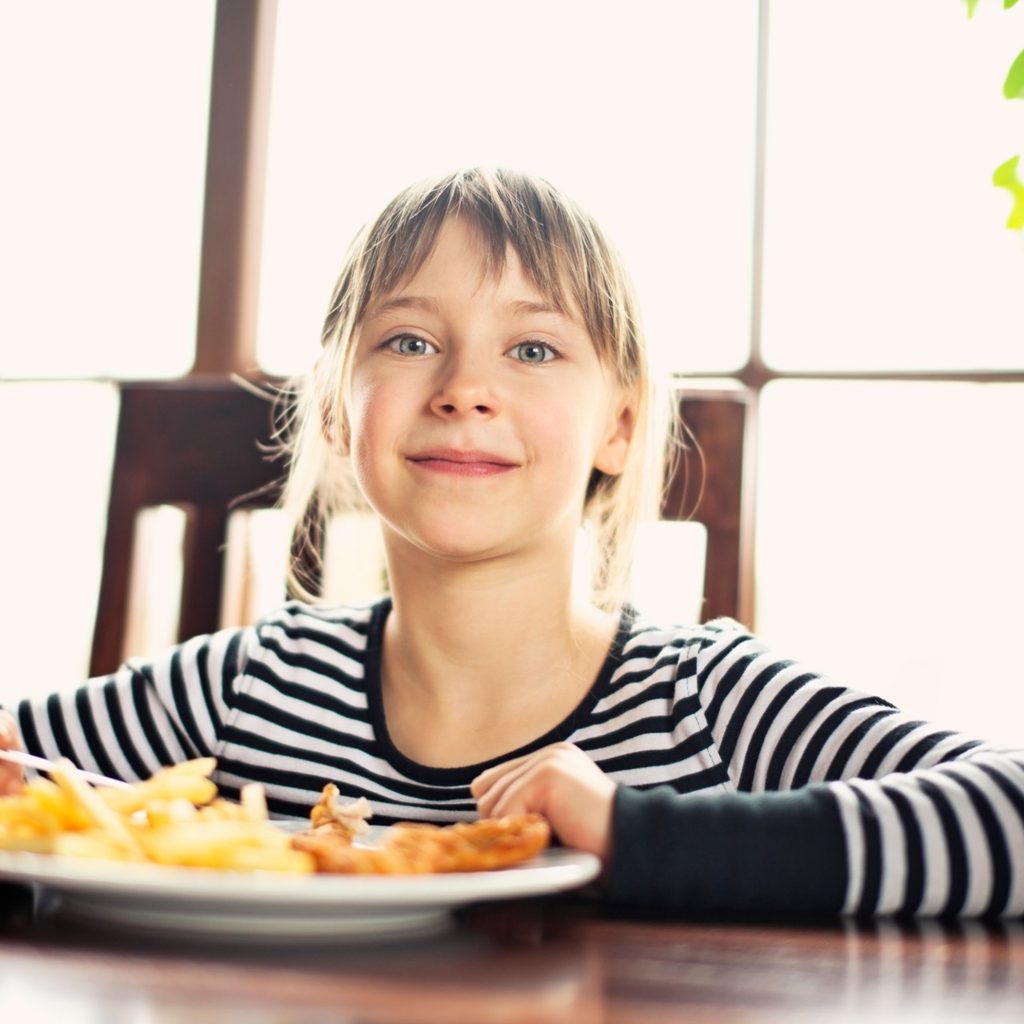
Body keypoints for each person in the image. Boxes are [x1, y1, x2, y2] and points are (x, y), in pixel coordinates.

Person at [1, 167, 1022, 917]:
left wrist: (632, 830)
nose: (463, 387)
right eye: (408, 340)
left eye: (532, 347)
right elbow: (21, 780)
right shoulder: (247, 690)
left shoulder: (704, 702)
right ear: (331, 411)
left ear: (620, 426)